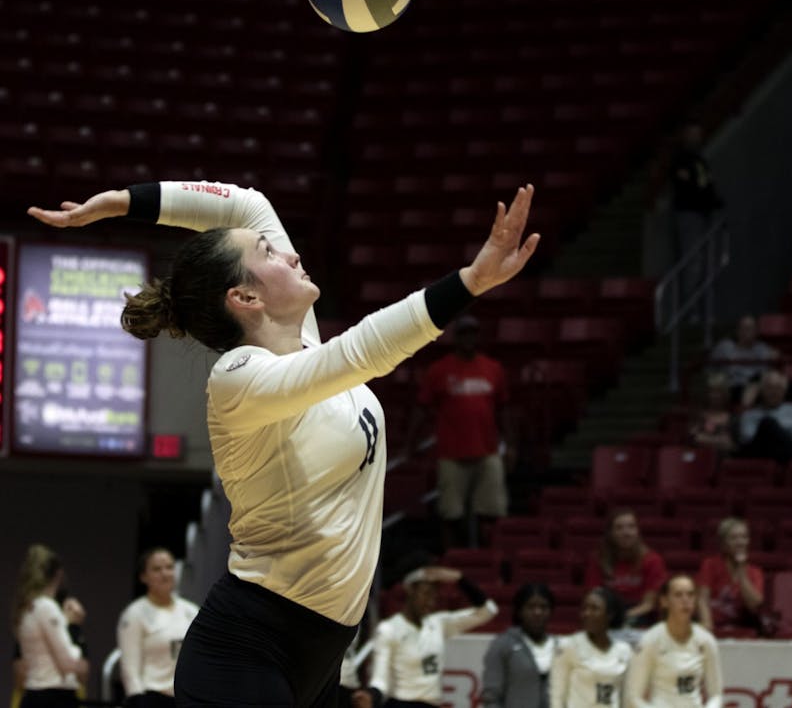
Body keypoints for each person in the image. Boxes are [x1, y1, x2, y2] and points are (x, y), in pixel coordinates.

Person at [28, 179, 539, 707]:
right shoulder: (237, 376)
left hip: (322, 649)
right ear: (244, 297)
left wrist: (120, 203)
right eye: (268, 251)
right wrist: (470, 281)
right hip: (249, 648)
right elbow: (363, 350)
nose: (292, 253)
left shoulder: (303, 342)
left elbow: (249, 205)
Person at [405, 313, 516, 549]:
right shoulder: (439, 370)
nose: (468, 338)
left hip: (488, 450)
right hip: (451, 452)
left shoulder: (493, 368)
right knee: (450, 513)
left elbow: (504, 409)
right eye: (464, 333)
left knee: (492, 511)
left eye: (472, 333)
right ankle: (453, 559)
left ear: (478, 336)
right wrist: (411, 442)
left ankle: (489, 560)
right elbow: (422, 408)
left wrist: (511, 444)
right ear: (456, 337)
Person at [362, 566, 497, 707]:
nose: (430, 602)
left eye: (434, 596)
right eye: (425, 594)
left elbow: (488, 610)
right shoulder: (389, 629)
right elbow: (380, 679)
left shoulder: (439, 624)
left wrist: (460, 578)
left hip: (432, 703)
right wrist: (371, 696)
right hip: (400, 703)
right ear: (410, 590)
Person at [117, 548, 200, 707]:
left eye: (169, 567)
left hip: (186, 697)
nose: (165, 573)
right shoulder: (134, 614)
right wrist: (137, 700)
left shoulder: (190, 611)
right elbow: (130, 670)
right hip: (151, 697)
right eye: (157, 569)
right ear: (143, 577)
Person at [627, 575, 723, 708]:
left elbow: (716, 695)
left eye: (690, 594)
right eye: (678, 595)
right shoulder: (650, 640)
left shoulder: (706, 641)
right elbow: (632, 697)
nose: (685, 600)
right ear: (664, 601)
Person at [12, 544, 89, 708]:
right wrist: (73, 628)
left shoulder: (28, 606)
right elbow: (69, 663)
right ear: (58, 575)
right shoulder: (47, 607)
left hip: (34, 694)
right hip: (53, 696)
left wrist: (65, 622)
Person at [669, 120, 723, 319]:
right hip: (689, 215)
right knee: (692, 265)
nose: (695, 138)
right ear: (685, 136)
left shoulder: (701, 161)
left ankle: (705, 314)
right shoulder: (680, 159)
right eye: (692, 134)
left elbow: (706, 185)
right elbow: (690, 186)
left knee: (706, 267)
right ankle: (691, 314)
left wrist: (714, 200)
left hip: (705, 216)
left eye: (698, 134)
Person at [550, 587, 632, 708]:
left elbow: (626, 697)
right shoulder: (568, 646)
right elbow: (557, 696)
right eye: (584, 608)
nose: (587, 613)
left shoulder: (624, 650)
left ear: (610, 614)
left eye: (594, 608)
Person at [584, 509, 667, 628]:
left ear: (638, 531)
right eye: (619, 528)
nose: (626, 532)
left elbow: (649, 604)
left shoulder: (653, 560)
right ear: (610, 533)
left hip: (640, 616)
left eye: (631, 527)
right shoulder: (598, 560)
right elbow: (593, 597)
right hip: (606, 615)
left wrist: (622, 618)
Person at [481, 582, 555, 708]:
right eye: (531, 607)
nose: (537, 612)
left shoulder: (561, 647)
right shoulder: (503, 645)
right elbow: (491, 697)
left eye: (543, 607)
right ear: (519, 611)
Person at [696, 518, 764, 634]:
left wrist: (742, 573)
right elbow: (702, 599)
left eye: (744, 537)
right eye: (734, 538)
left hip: (741, 628)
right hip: (713, 625)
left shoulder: (755, 572)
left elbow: (754, 605)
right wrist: (708, 627)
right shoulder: (710, 565)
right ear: (723, 543)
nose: (740, 542)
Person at [709, 315, 778, 405]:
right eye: (744, 328)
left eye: (751, 328)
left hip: (758, 389)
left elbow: (774, 361)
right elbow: (710, 370)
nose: (747, 331)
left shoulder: (762, 348)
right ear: (737, 330)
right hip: (733, 387)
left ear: (756, 331)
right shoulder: (725, 347)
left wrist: (776, 355)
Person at [737, 369, 792, 464]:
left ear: (784, 391)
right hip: (763, 456)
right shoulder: (750, 415)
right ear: (761, 390)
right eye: (770, 388)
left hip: (791, 453)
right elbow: (748, 440)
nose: (774, 392)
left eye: (778, 388)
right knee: (768, 423)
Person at [687, 373, 735, 455]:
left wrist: (705, 439)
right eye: (712, 392)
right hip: (700, 458)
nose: (715, 396)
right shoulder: (699, 416)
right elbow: (694, 438)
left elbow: (729, 445)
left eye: (718, 392)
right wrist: (718, 441)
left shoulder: (733, 417)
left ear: (725, 394)